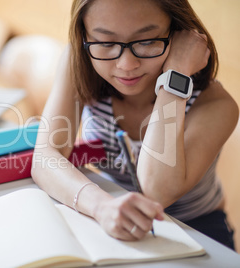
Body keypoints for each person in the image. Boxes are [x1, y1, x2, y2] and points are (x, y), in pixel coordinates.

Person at [31, 0, 238, 250]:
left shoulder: (215, 103)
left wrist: (175, 79)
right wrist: (101, 206)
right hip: (111, 209)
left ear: (177, 33)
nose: (126, 65)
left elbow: (157, 190)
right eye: (106, 43)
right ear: (84, 37)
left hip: (196, 229)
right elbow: (45, 157)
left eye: (147, 41)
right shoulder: (80, 63)